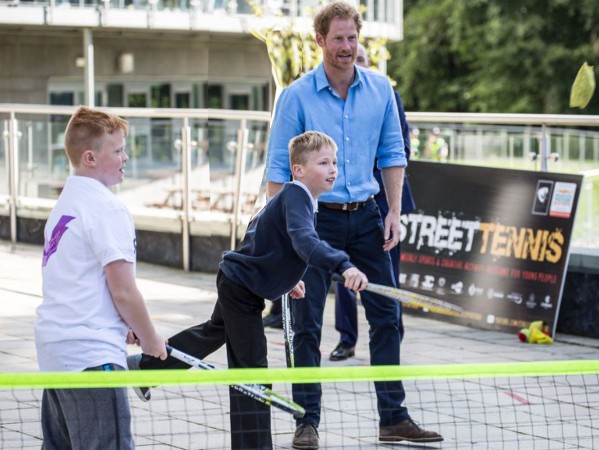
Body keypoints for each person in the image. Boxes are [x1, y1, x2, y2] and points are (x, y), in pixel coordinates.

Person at [265, 2, 443, 448]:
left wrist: (393, 211)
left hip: (367, 217)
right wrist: (281, 237)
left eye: (352, 38)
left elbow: (393, 154)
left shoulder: (381, 90)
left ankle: (393, 417)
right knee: (305, 322)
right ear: (320, 40)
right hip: (310, 221)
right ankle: (307, 421)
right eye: (338, 38)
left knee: (388, 316)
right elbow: (276, 171)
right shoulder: (296, 96)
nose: (346, 47)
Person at [129, 130, 369, 450]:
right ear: (298, 170)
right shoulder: (295, 195)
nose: (333, 169)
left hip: (237, 281)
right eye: (323, 162)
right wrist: (344, 265)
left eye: (335, 162)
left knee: (213, 332)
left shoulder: (298, 198)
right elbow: (305, 242)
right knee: (251, 373)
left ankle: (147, 367)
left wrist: (286, 281)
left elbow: (265, 242)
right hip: (241, 288)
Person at [34, 106, 168, 450]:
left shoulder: (65, 204)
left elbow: (77, 280)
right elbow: (123, 291)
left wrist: (120, 325)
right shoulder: (107, 208)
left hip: (56, 353)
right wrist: (151, 339)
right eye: (119, 150)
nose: (126, 158)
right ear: (90, 157)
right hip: (90, 356)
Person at [329, 44, 416, 362]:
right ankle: (346, 339)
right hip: (341, 206)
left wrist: (392, 205)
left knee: (387, 280)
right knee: (343, 275)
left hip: (381, 201)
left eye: (363, 59)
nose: (357, 64)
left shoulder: (385, 95)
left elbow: (400, 147)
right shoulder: (331, 99)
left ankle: (393, 337)